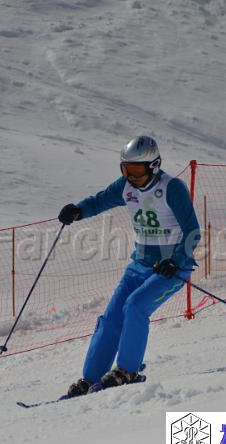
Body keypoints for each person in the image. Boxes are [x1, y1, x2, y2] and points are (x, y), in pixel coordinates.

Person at [58, 135, 201, 397]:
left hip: (171, 269)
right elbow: (99, 201)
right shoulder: (125, 186)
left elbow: (192, 231)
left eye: (136, 170)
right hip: (140, 265)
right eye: (126, 169)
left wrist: (176, 260)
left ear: (154, 165)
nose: (131, 176)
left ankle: (127, 371)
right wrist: (78, 211)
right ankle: (90, 378)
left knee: (135, 306)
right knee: (111, 317)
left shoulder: (172, 188)